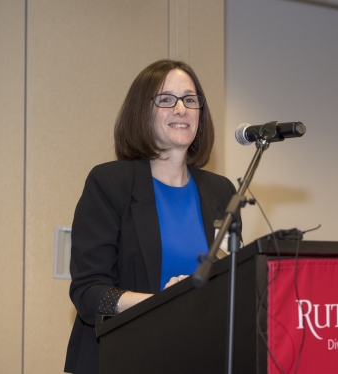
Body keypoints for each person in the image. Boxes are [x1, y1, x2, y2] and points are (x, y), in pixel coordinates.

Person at [64, 59, 237, 374]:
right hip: (123, 356)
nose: (181, 108)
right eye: (166, 99)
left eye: (190, 99)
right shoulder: (110, 183)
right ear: (142, 111)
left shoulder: (220, 191)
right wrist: (163, 301)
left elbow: (231, 281)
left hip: (201, 356)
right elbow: (88, 293)